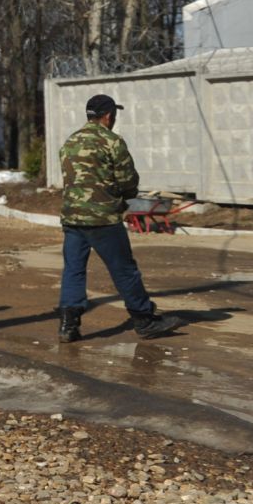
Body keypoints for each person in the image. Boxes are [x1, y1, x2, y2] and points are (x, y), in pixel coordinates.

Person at [57, 93, 176, 342]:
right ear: (109, 116)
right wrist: (125, 197)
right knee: (124, 270)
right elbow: (127, 180)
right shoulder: (112, 142)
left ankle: (68, 324)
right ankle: (144, 319)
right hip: (103, 219)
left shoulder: (70, 141)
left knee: (74, 271)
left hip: (72, 218)